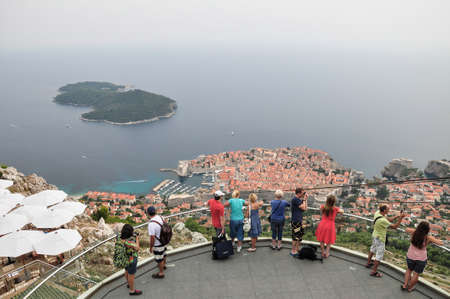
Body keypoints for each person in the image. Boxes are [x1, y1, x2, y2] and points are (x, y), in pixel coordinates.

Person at [402, 221, 443, 292]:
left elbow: (406, 229)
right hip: (421, 259)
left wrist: (416, 230)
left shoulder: (414, 232)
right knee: (416, 273)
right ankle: (409, 288)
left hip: (410, 255)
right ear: (427, 230)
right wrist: (433, 239)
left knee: (409, 270)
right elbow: (441, 243)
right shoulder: (428, 237)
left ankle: (405, 285)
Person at [366, 205, 406, 277]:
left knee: (372, 249)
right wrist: (401, 218)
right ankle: (374, 271)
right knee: (379, 255)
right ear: (384, 210)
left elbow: (388, 219)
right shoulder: (382, 220)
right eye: (388, 209)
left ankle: (368, 263)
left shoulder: (377, 213)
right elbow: (394, 226)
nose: (389, 210)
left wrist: (397, 216)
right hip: (380, 238)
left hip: (375, 235)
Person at [120, 224, 142, 296]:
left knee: (126, 270)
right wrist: (137, 238)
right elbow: (137, 248)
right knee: (131, 274)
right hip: (131, 259)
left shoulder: (120, 238)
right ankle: (132, 290)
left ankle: (129, 284)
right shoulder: (129, 242)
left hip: (124, 257)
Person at [147, 206, 167, 279]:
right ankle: (163, 265)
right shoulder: (160, 217)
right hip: (164, 240)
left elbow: (152, 238)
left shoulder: (151, 224)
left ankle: (161, 273)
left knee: (159, 258)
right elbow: (165, 225)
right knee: (163, 254)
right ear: (155, 212)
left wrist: (151, 247)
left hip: (158, 243)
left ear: (148, 214)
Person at [290, 187, 307, 257]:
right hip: (296, 221)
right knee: (295, 236)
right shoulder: (295, 199)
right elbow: (303, 207)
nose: (303, 194)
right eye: (302, 193)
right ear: (299, 193)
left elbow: (305, 208)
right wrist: (304, 199)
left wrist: (305, 200)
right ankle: (293, 250)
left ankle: (297, 249)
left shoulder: (299, 200)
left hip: (299, 220)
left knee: (299, 236)